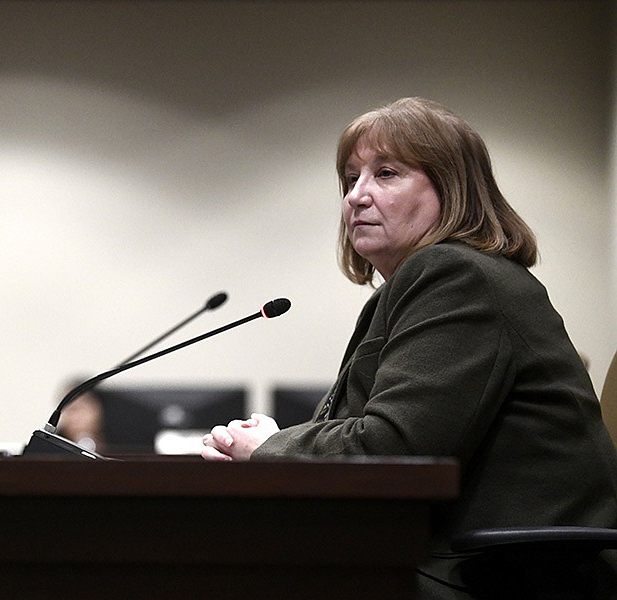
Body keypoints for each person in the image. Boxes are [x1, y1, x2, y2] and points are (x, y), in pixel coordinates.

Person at [201, 97, 617, 598]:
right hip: (461, 560)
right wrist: (277, 440)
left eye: (387, 173)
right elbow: (373, 433)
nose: (357, 196)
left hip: (506, 574)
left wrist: (269, 450)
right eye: (350, 178)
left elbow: (393, 449)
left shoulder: (456, 276)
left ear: (453, 189)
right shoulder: (413, 288)